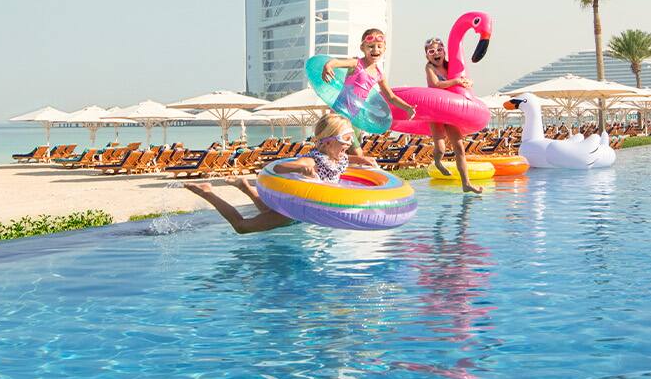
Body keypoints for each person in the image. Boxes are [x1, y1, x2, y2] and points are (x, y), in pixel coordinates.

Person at [188, 113, 378, 234]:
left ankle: (244, 187)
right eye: (346, 139)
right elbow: (277, 168)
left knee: (267, 213)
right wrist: (300, 169)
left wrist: (361, 159)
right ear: (328, 142)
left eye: (351, 139)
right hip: (298, 207)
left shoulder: (338, 157)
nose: (349, 144)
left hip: (309, 209)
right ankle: (208, 192)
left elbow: (343, 160)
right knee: (242, 227)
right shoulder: (312, 161)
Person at [423, 37, 484, 194]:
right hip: (435, 110)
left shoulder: (451, 67)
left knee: (459, 148)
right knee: (440, 147)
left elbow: (463, 81)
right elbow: (435, 84)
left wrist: (467, 83)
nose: (436, 54)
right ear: (427, 55)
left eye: (439, 50)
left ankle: (466, 183)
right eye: (431, 52)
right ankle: (438, 162)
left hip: (450, 111)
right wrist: (456, 81)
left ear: (444, 52)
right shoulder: (430, 67)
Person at [320, 28, 418, 124]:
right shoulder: (356, 63)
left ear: (384, 49)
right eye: (371, 46)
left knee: (351, 134)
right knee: (335, 133)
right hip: (339, 111)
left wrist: (408, 108)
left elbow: (391, 97)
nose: (375, 49)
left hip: (354, 114)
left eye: (379, 46)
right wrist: (328, 65)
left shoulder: (379, 74)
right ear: (362, 48)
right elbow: (337, 62)